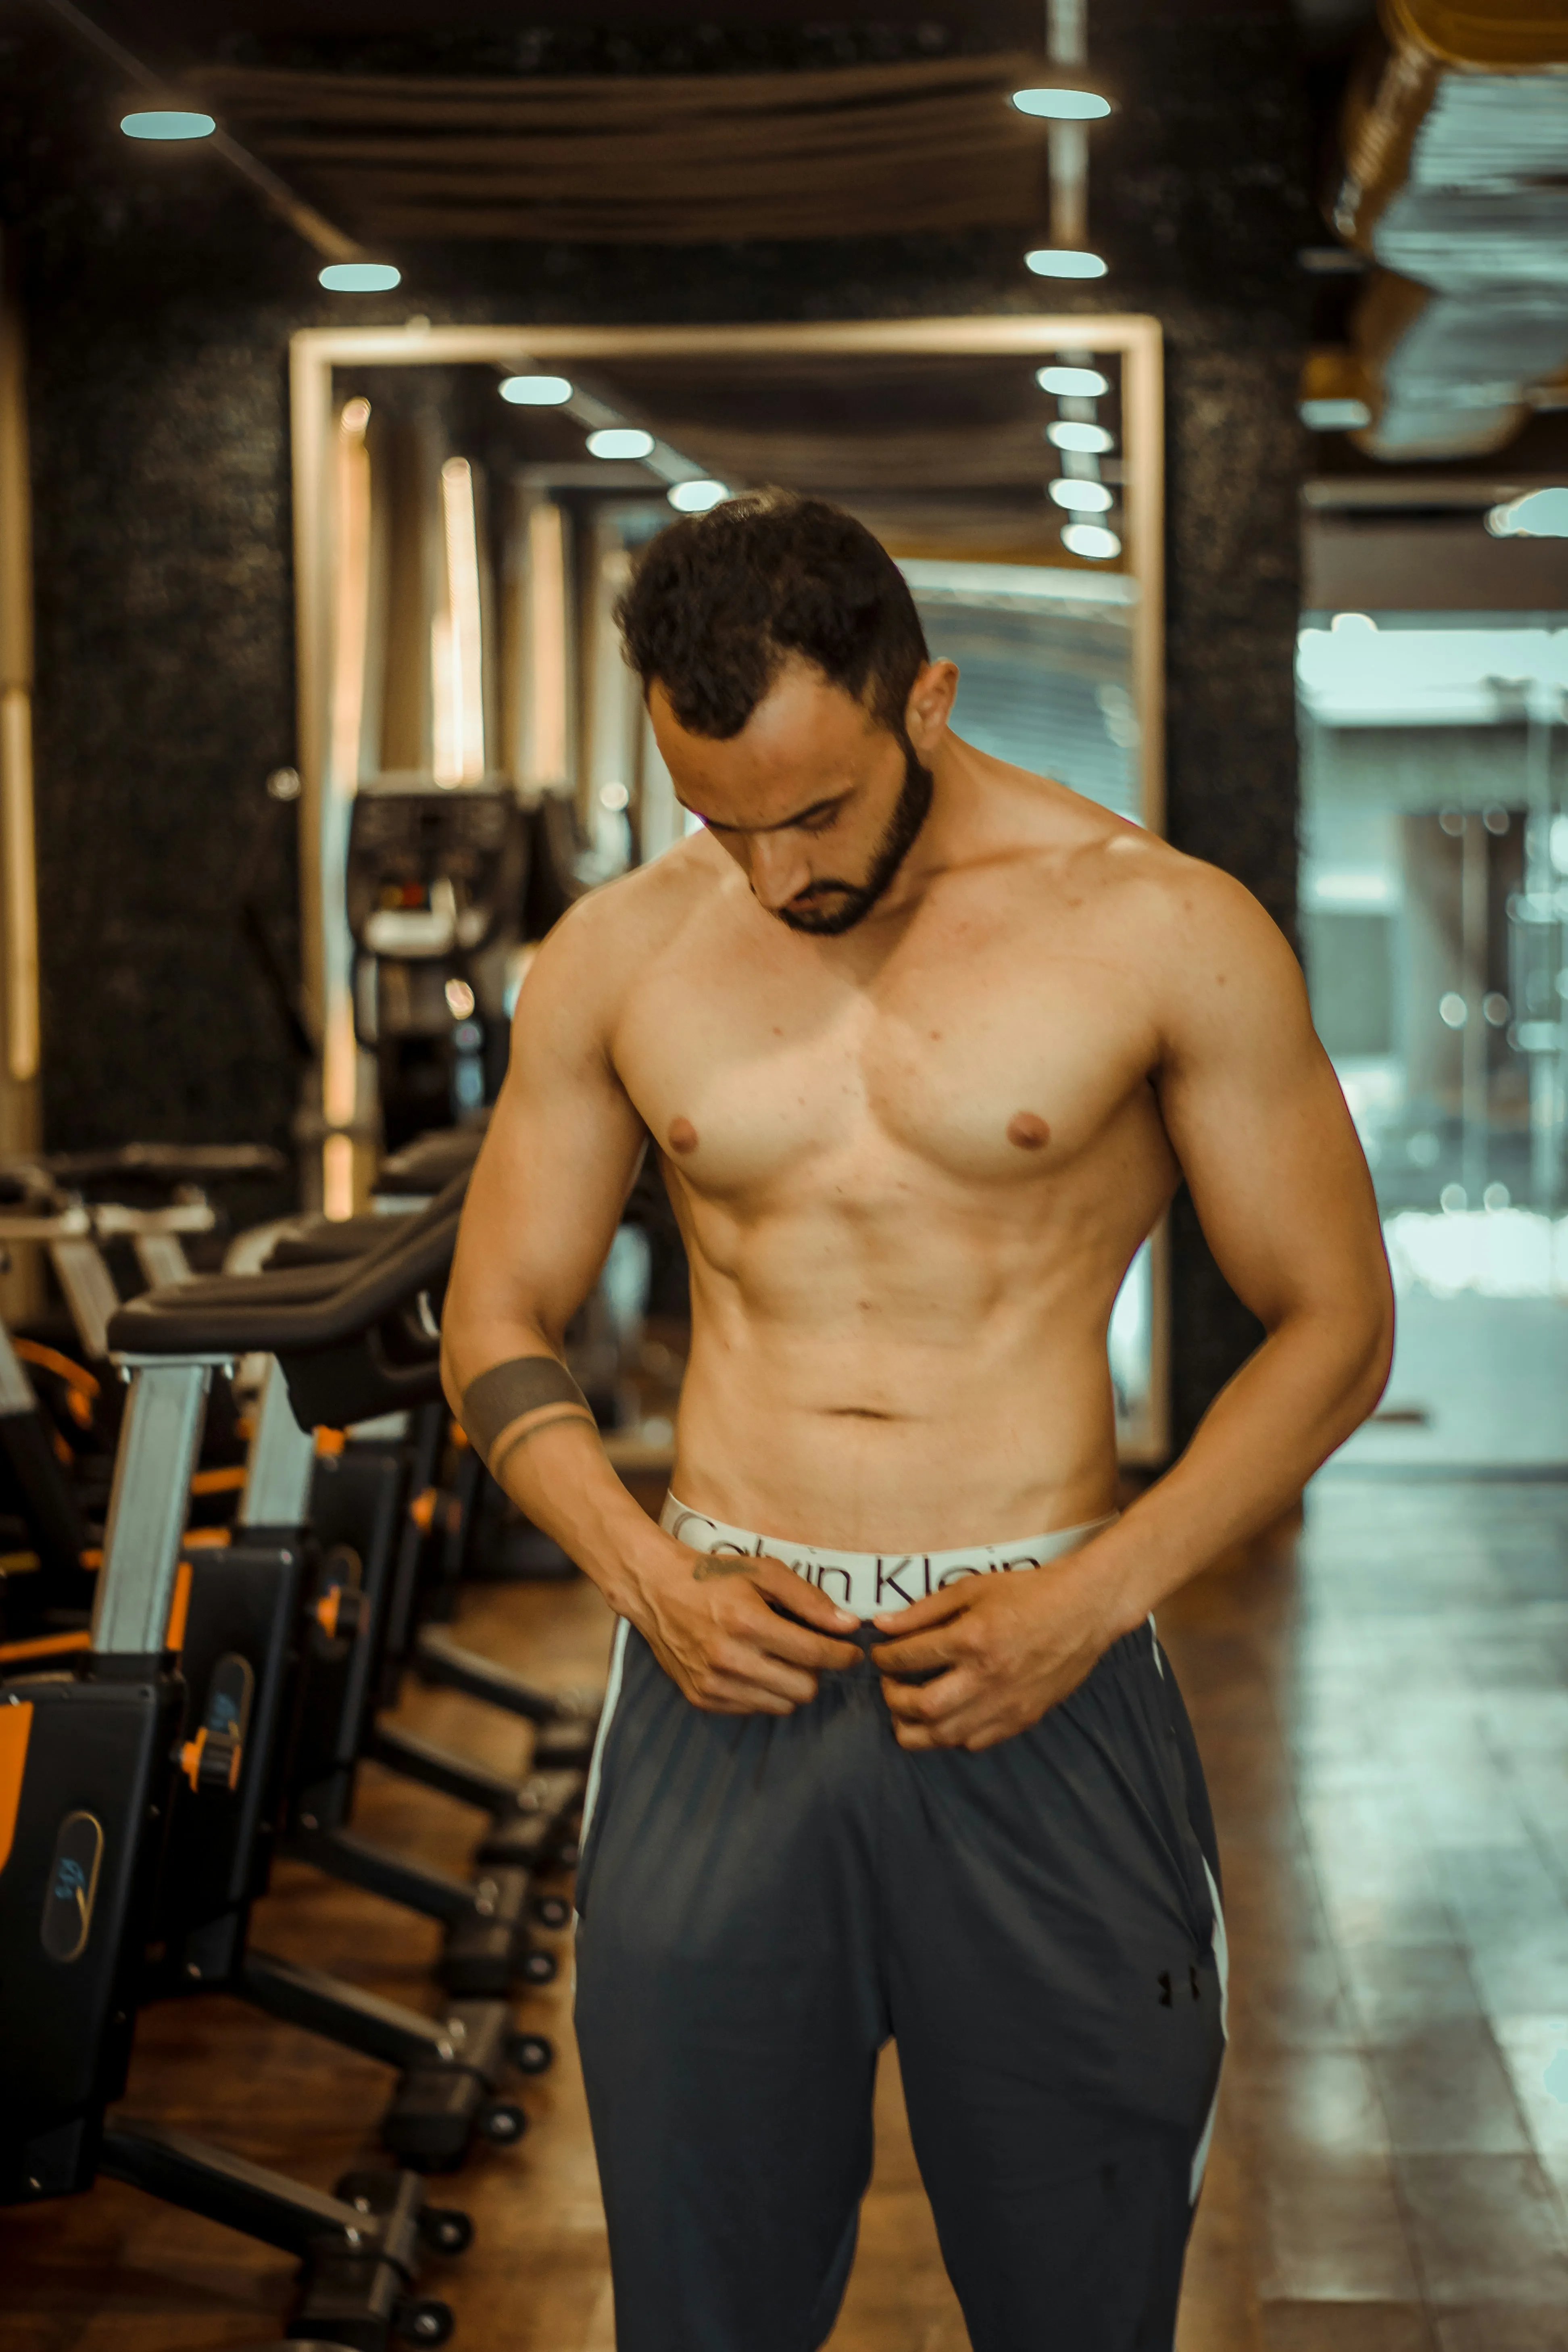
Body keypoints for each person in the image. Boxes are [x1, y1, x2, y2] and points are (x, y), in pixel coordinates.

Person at [440, 490, 1393, 2352]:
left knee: (1076, 2301)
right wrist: (643, 1570)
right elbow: (498, 1311)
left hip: (1035, 1666)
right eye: (723, 819)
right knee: (700, 2310)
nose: (777, 875)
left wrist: (1101, 1595)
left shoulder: (1161, 930)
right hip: (726, 1675)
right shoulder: (625, 951)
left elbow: (1337, 1327)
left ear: (928, 704)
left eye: (817, 811)